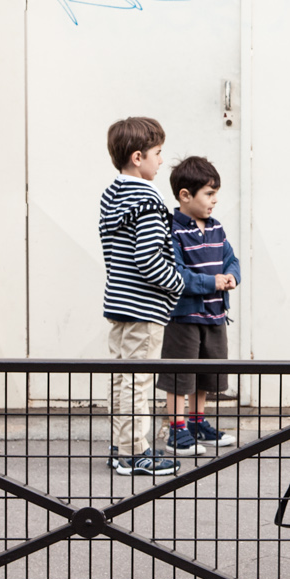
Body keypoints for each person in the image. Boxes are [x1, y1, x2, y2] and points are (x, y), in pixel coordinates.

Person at [99, 116, 186, 477]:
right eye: (157, 153)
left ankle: (121, 447)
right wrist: (177, 283)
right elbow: (149, 259)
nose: (161, 160)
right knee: (139, 381)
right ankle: (136, 453)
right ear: (138, 157)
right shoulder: (148, 198)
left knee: (120, 378)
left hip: (118, 301)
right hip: (144, 305)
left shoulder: (111, 194)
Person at [159, 155, 240, 455]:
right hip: (184, 318)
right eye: (209, 193)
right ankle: (176, 430)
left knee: (207, 370)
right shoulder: (173, 231)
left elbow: (231, 260)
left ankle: (196, 422)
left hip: (215, 315)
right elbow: (178, 274)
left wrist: (231, 276)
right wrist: (212, 283)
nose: (215, 200)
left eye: (216, 193)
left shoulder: (216, 229)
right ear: (185, 195)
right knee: (181, 374)